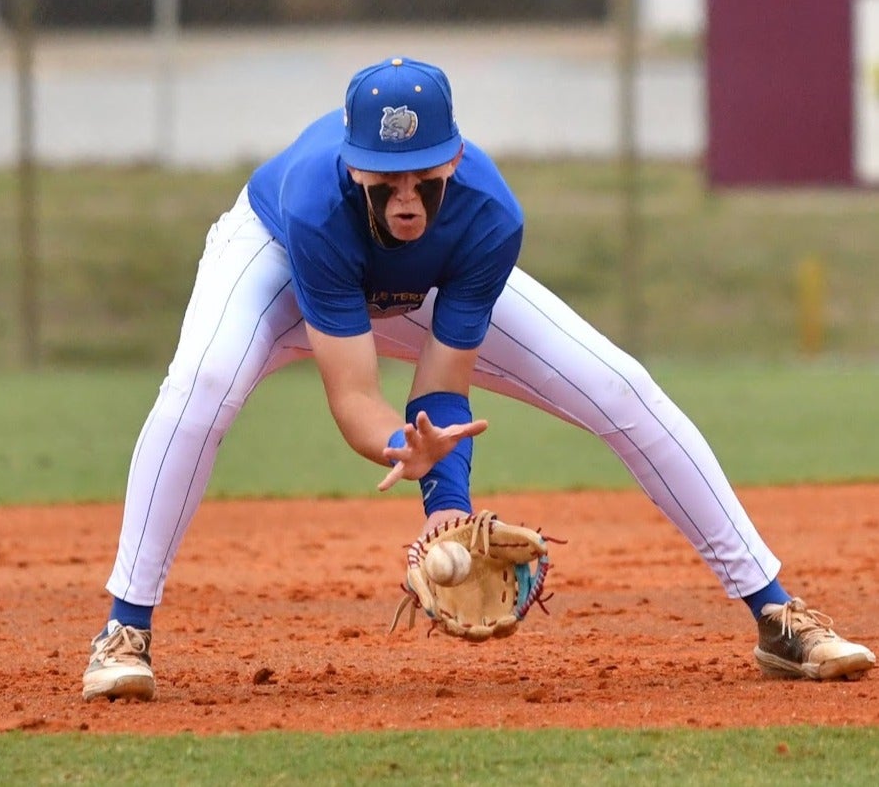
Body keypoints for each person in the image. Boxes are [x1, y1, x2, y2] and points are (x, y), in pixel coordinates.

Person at [82, 57, 875, 701]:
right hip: (278, 267)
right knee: (201, 388)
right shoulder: (318, 208)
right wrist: (397, 444)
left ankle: (778, 616)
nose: (402, 195)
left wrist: (445, 510)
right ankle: (126, 629)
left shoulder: (487, 217)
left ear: (453, 158)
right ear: (352, 167)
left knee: (621, 385)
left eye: (420, 173)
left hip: (416, 287)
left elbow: (441, 387)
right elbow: (354, 394)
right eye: (381, 176)